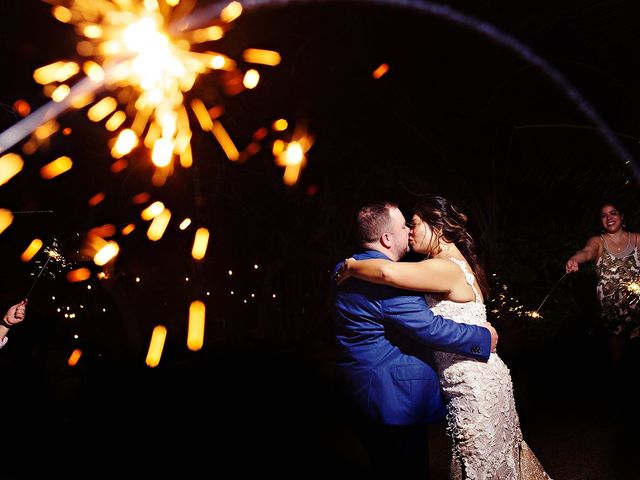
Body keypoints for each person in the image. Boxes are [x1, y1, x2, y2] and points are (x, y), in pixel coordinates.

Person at [336, 195, 551, 480]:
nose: (409, 232)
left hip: (472, 381)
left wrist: (349, 265)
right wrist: (482, 337)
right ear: (386, 238)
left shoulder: (439, 267)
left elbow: (389, 275)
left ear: (436, 226)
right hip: (462, 380)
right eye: (405, 226)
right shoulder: (445, 265)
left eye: (413, 224)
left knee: (482, 466)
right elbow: (427, 324)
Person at [565, 201, 640, 369]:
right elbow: (587, 252)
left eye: (613, 213)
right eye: (604, 215)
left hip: (638, 310)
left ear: (621, 216)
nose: (609, 218)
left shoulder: (636, 239)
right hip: (612, 312)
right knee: (617, 359)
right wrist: (575, 260)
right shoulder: (598, 241)